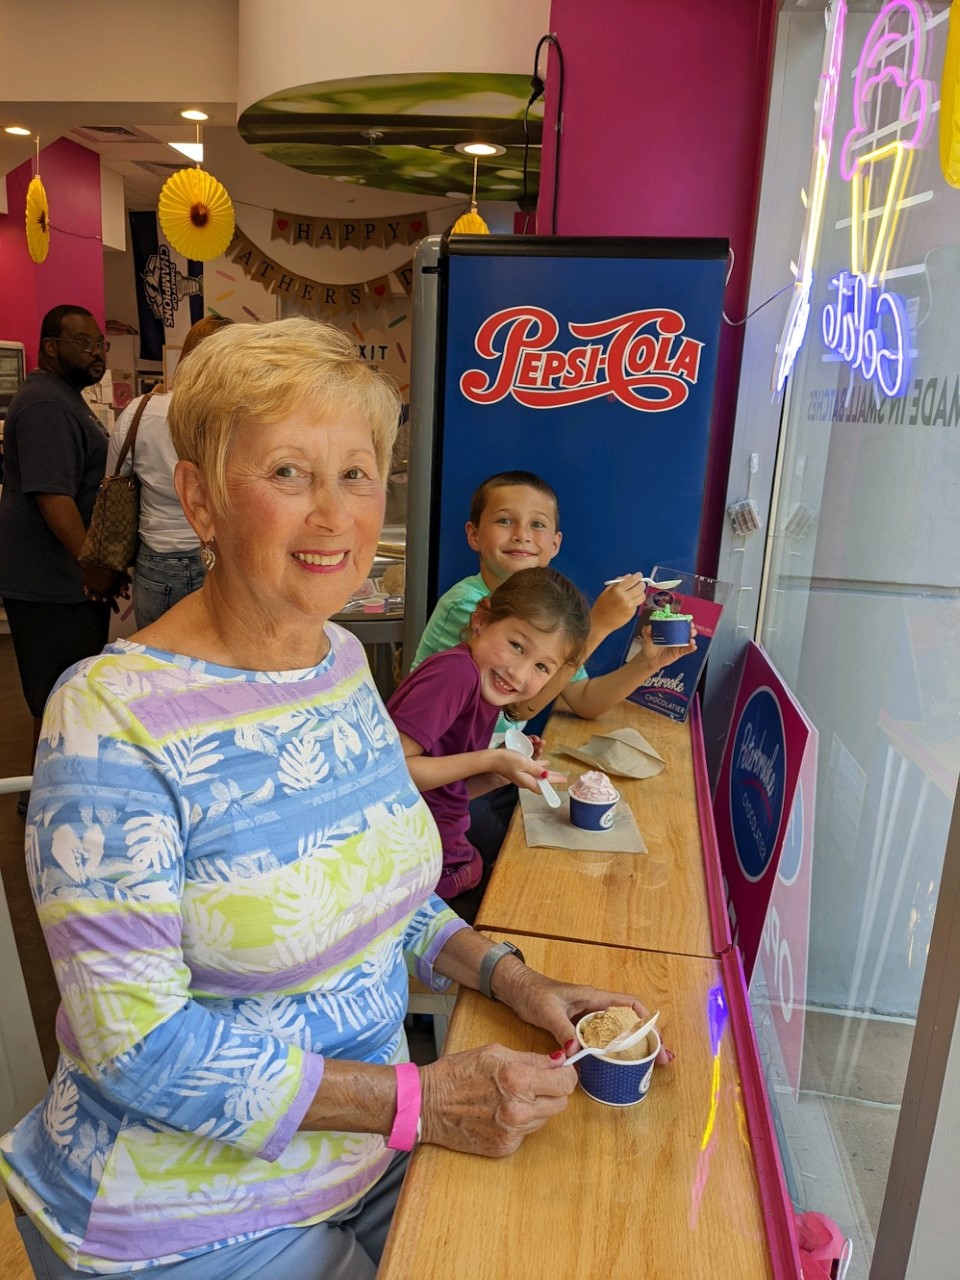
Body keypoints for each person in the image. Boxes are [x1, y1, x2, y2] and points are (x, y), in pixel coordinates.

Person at [0, 317, 668, 1280]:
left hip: (363, 1154)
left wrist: (515, 979)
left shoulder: (341, 662)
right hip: (185, 1216)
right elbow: (137, 1048)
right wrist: (421, 1101)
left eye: (356, 475)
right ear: (199, 499)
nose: (334, 516)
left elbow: (377, 896)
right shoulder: (109, 720)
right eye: (287, 474)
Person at [411, 470, 697, 863]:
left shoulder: (544, 612)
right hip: (441, 790)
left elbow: (582, 700)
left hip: (487, 771)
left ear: (555, 544)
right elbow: (520, 706)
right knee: (521, 862)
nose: (522, 535)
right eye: (504, 520)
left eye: (537, 525)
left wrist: (648, 664)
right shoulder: (472, 608)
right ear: (474, 534)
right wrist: (597, 626)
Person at [388, 566, 588, 921]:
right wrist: (490, 761)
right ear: (481, 619)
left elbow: (446, 793)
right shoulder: (456, 674)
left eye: (542, 667)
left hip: (445, 854)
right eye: (516, 646)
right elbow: (392, 774)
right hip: (413, 870)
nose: (519, 673)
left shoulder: (483, 691)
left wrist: (499, 775)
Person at [0, 306, 122, 809]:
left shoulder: (62, 398)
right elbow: (53, 496)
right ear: (50, 346)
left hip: (63, 581)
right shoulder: (46, 406)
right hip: (51, 584)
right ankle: (45, 803)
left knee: (62, 696)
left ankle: (49, 795)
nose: (95, 352)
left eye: (100, 344)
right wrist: (89, 562)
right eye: (83, 343)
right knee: (57, 697)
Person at [107, 315, 233, 626]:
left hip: (155, 560)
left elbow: (113, 477)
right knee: (219, 669)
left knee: (157, 667)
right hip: (223, 556)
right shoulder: (236, 417)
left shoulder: (140, 410)